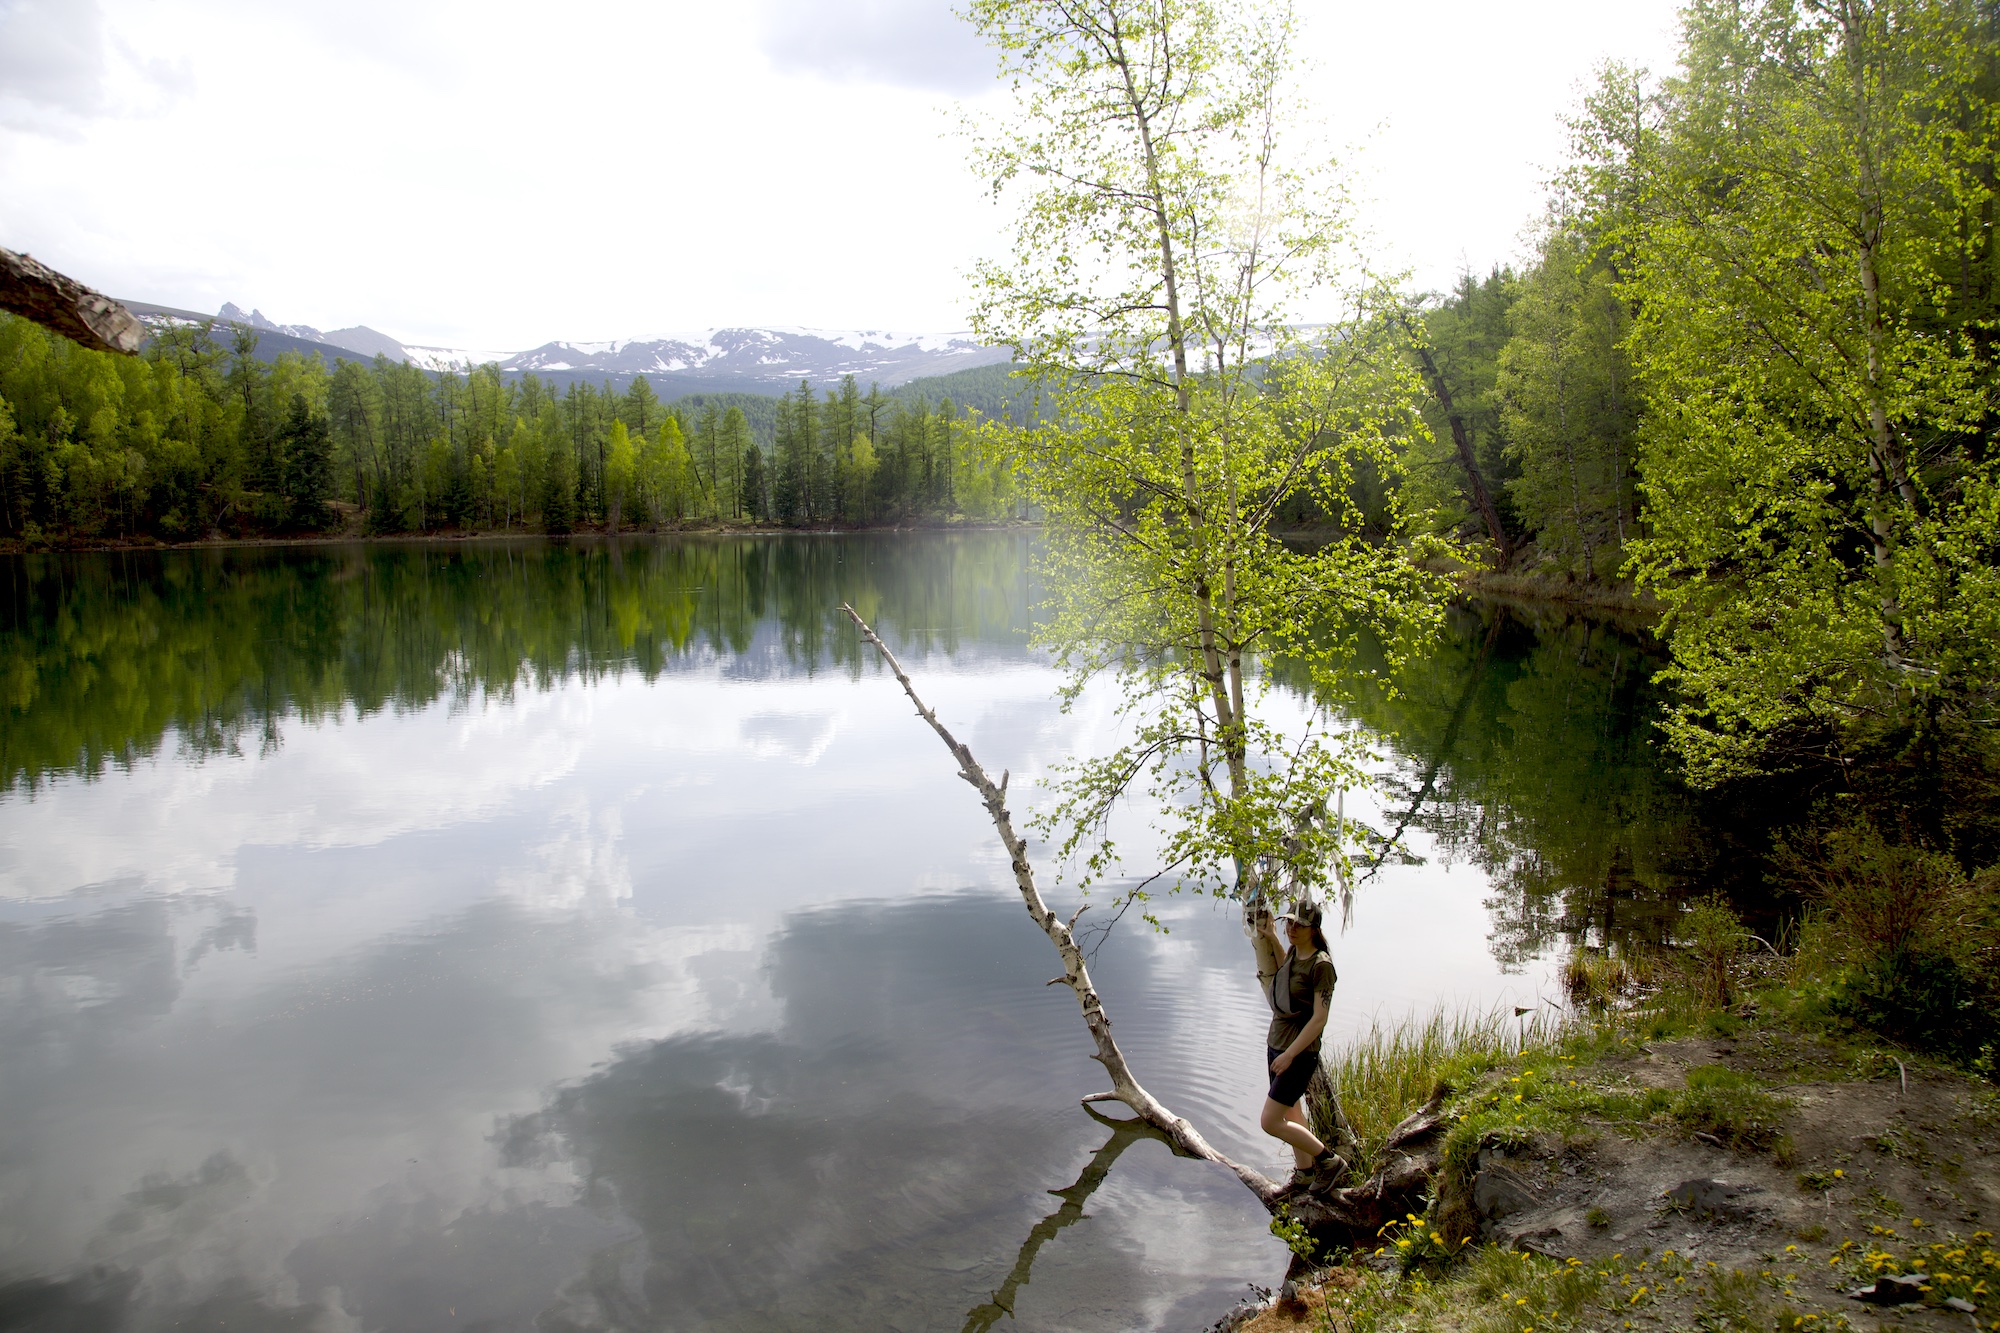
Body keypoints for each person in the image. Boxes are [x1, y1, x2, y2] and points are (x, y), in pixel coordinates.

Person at [1250, 899, 1343, 1193]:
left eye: (1299, 925)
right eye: (1289, 922)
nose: (1292, 928)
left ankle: (1329, 1161)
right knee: (1291, 1113)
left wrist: (1290, 1055)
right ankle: (1304, 1174)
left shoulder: (1321, 966)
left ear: (1313, 929)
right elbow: (1285, 972)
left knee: (1270, 1121)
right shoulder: (1294, 951)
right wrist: (1271, 937)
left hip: (1298, 1054)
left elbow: (1319, 1019)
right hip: (1277, 1044)